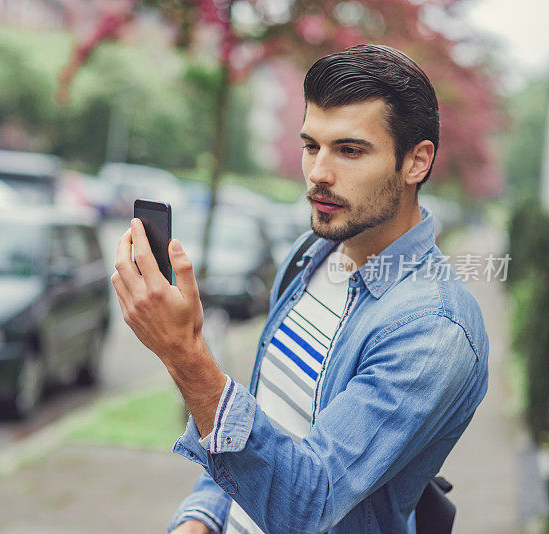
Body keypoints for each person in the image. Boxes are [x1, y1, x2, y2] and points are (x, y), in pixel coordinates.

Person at [110, 44, 488, 534]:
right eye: (312, 146)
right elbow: (262, 421)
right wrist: (203, 517)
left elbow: (308, 504)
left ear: (416, 162)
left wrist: (184, 353)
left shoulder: (433, 329)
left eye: (350, 150)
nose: (318, 174)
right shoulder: (312, 253)